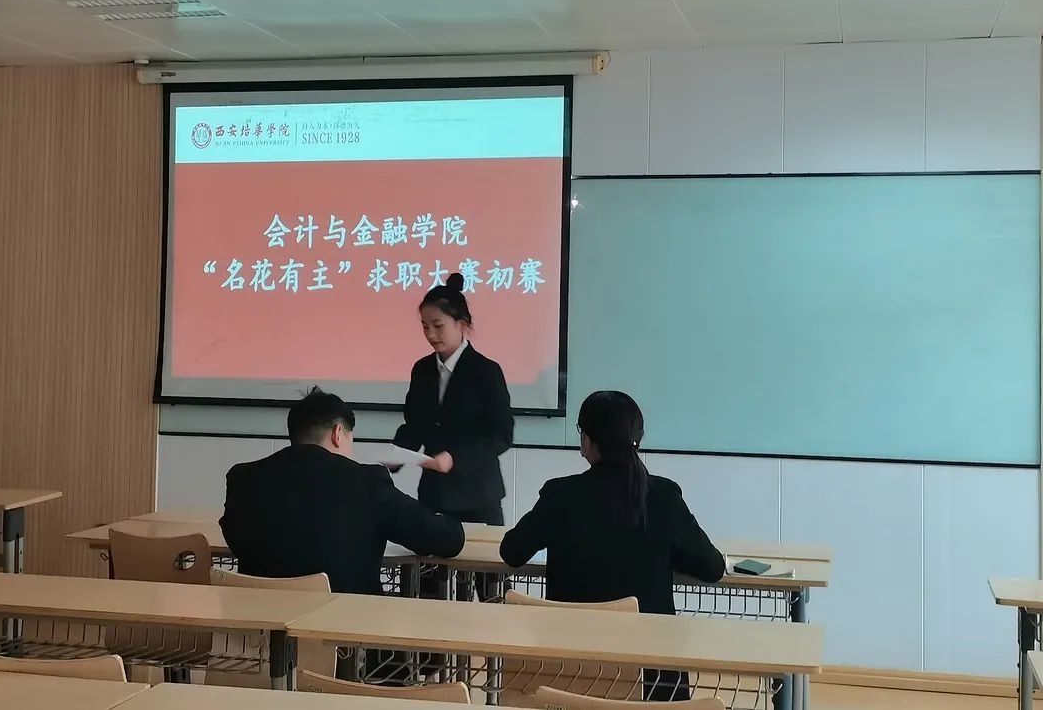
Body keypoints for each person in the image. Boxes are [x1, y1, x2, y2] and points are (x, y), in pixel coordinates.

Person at [500, 390, 724, 701]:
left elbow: (511, 552)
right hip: (653, 685)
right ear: (637, 439)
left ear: (586, 441)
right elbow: (713, 568)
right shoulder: (664, 497)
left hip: (569, 678)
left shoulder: (560, 495)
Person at [220, 387, 465, 595]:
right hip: (346, 628)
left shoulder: (243, 478)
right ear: (338, 434)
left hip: (261, 624)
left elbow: (236, 539)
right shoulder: (366, 481)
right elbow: (443, 539)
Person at [394, 272, 514, 602]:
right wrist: (395, 455)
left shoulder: (486, 371)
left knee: (490, 596)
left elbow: (501, 435)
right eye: (424, 326)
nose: (431, 335)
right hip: (435, 498)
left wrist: (454, 458)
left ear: (462, 324)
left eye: (438, 325)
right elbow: (414, 425)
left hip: (478, 498)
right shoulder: (422, 370)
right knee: (429, 591)